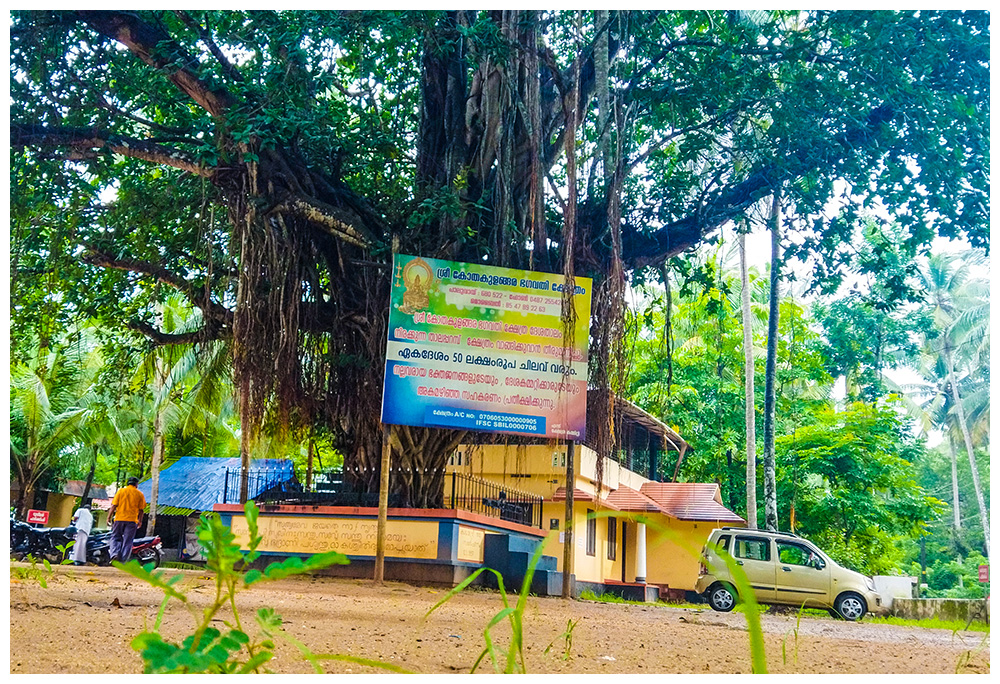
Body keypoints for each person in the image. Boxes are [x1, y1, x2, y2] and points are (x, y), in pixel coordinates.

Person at [109, 476, 146, 563]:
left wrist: (109, 517)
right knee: (128, 541)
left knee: (115, 537)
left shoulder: (121, 491)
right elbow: (141, 510)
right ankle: (123, 560)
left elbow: (114, 505)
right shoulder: (139, 494)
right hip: (132, 521)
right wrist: (140, 521)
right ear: (136, 484)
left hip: (119, 519)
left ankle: (114, 554)